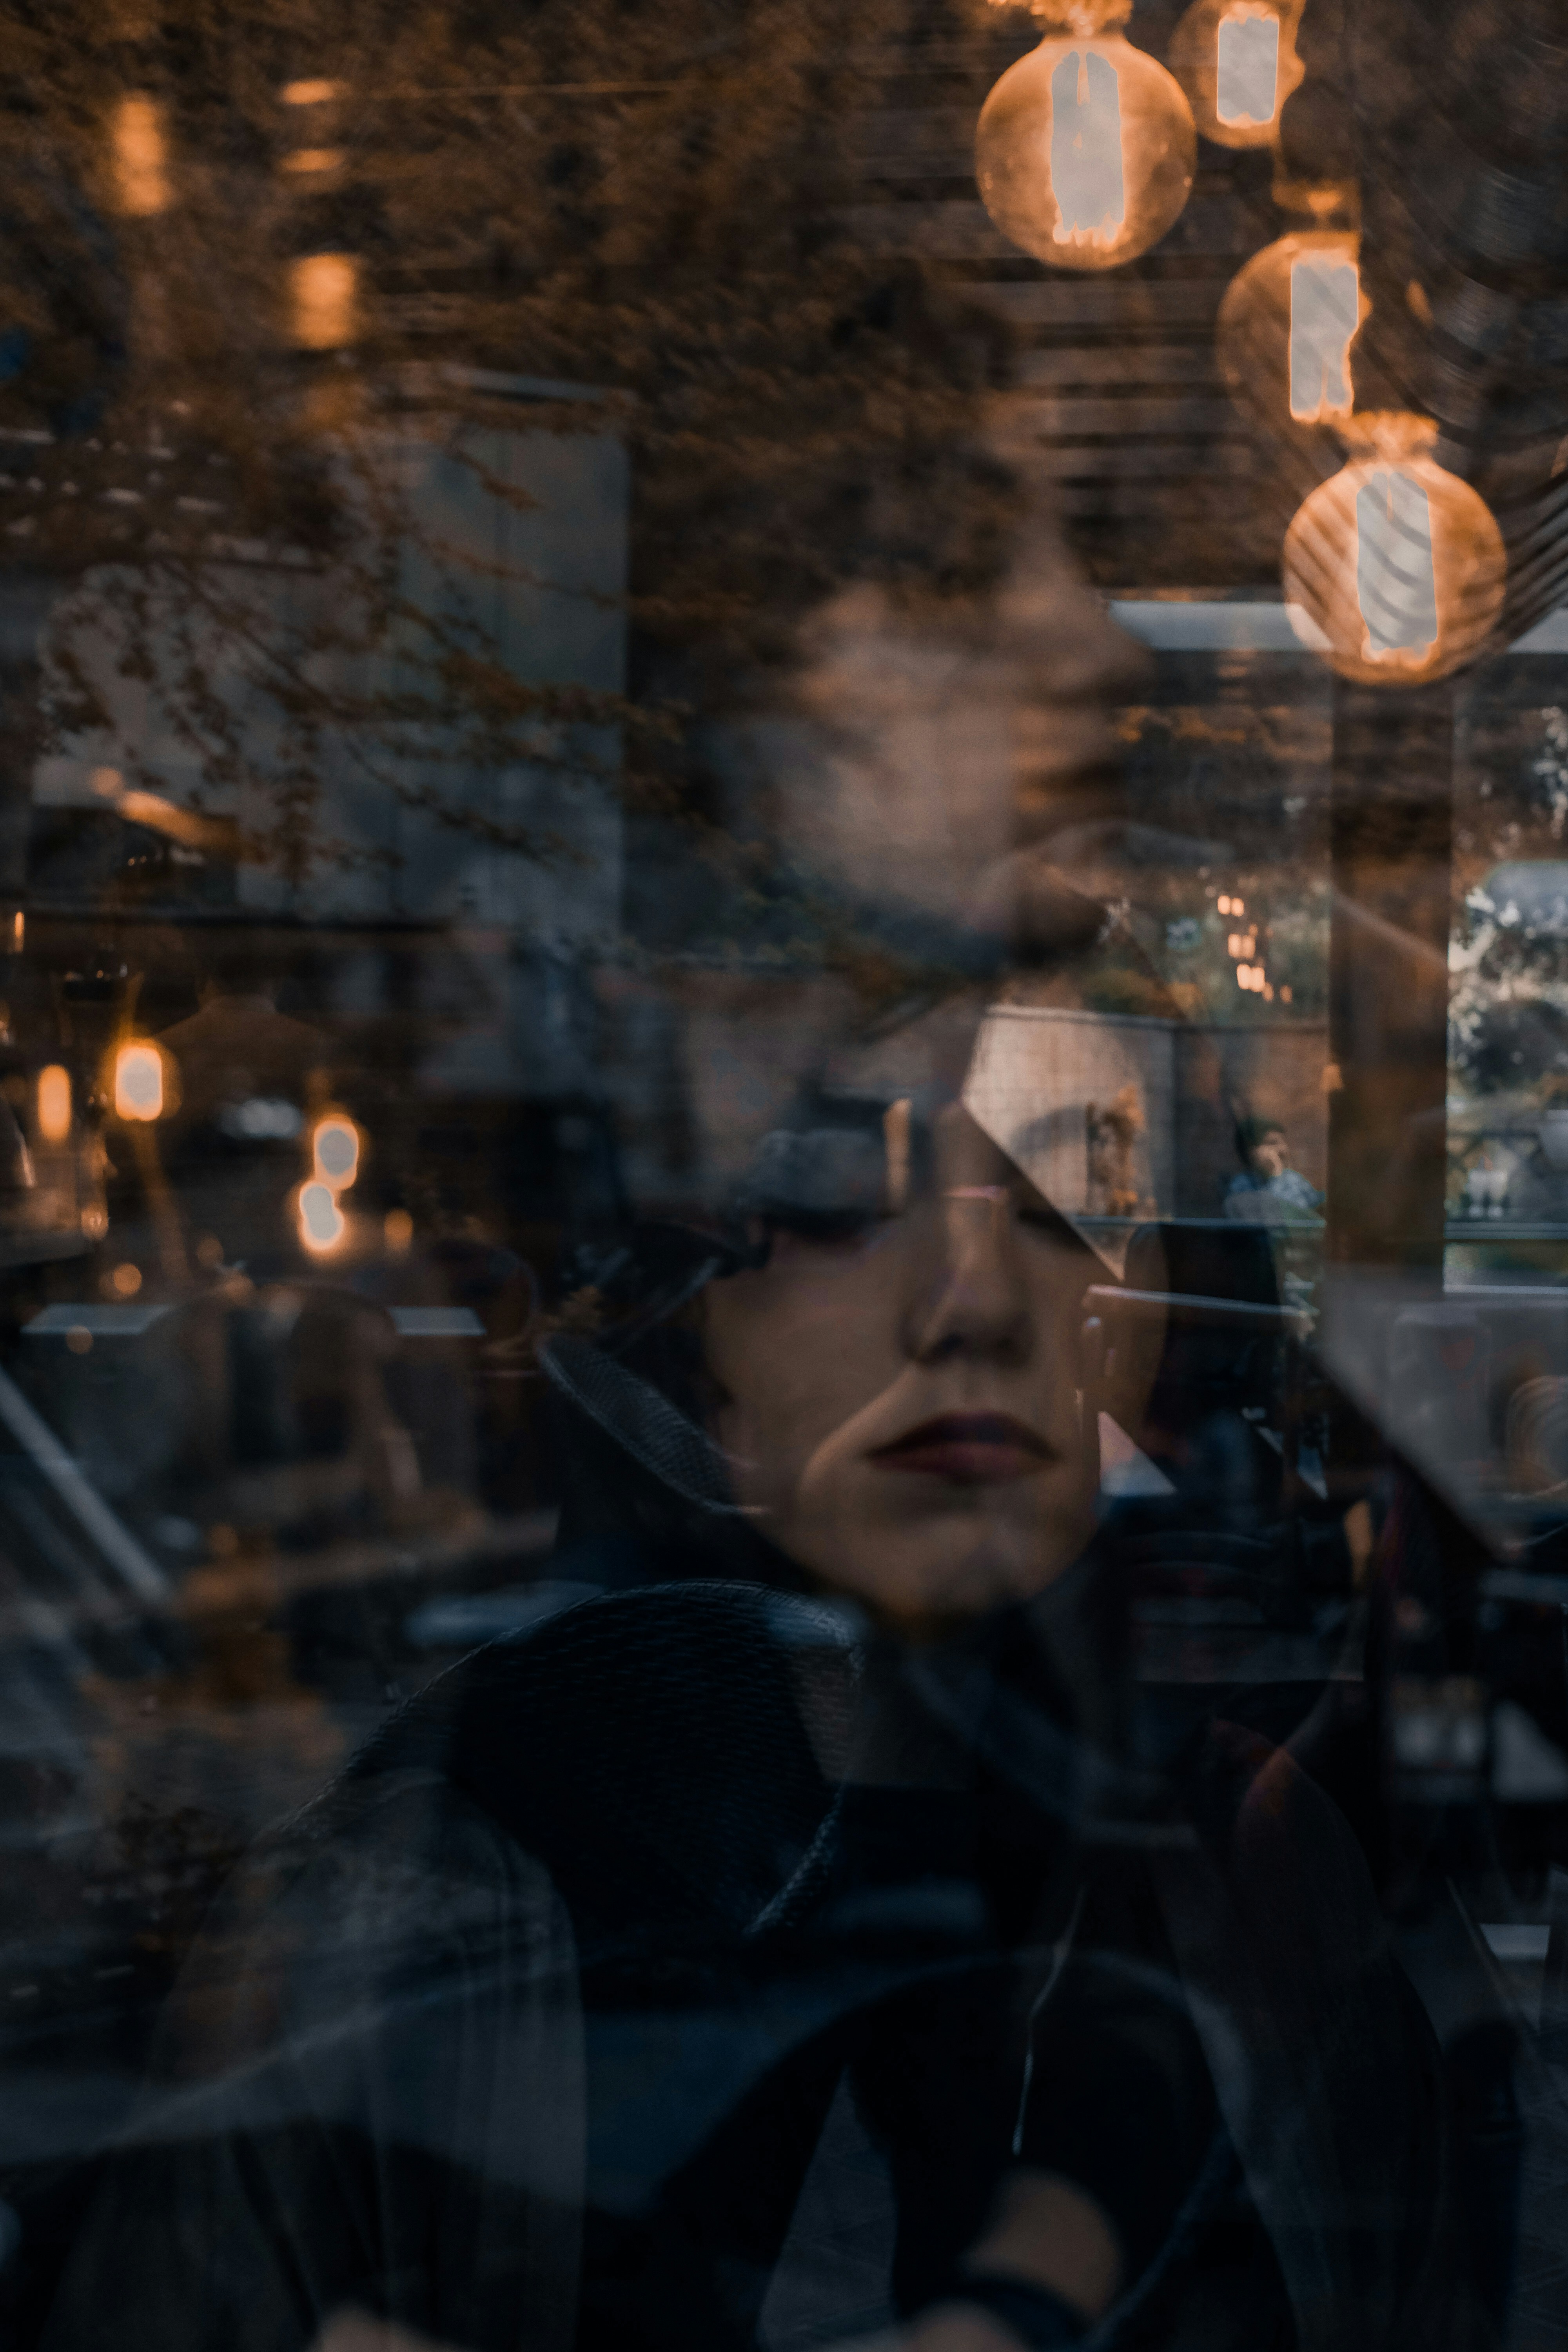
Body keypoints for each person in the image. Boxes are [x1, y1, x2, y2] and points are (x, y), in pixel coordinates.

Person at [42, 522, 1486, 2352]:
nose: (968, 1299)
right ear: (684, 1302)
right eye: (831, 1181)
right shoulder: (438, 1909)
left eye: (1066, 1191)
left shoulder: (1228, 1879)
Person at [1222, 1117, 1323, 1226]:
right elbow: (1278, 1221)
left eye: (1284, 1142)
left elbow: (1314, 1211)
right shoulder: (1241, 1186)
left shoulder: (1293, 1178)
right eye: (1273, 1143)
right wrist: (1275, 1177)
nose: (1284, 1149)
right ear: (1253, 1152)